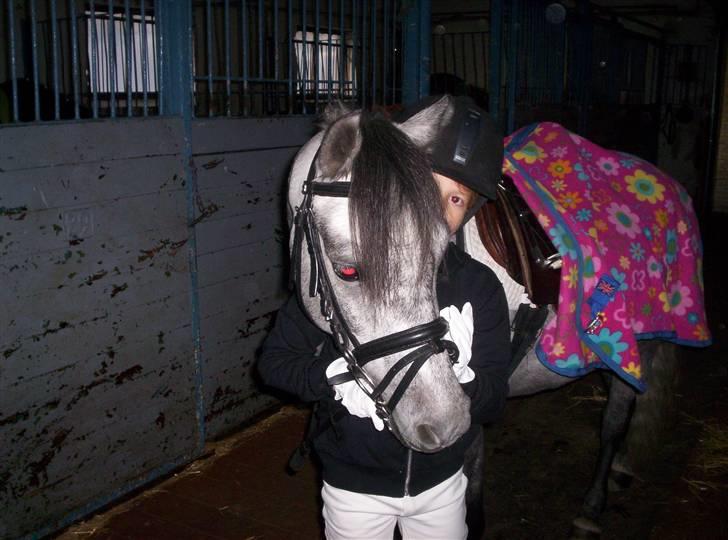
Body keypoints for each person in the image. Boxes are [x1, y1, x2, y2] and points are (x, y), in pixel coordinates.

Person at [257, 95, 511, 540]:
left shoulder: (479, 289)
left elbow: (494, 399)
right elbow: (275, 364)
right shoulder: (340, 285)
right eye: (426, 186)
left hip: (441, 482)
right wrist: (331, 377)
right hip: (353, 485)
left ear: (467, 211)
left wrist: (459, 379)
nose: (435, 204)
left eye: (454, 197)